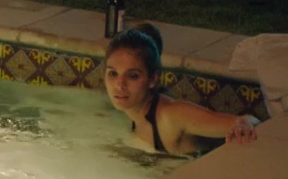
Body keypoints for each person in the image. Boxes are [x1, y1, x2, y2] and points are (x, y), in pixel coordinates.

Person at [104, 22, 259, 155]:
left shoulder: (171, 116)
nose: (120, 85)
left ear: (153, 79)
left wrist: (244, 124)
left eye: (133, 76)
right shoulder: (133, 111)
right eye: (113, 73)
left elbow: (250, 121)